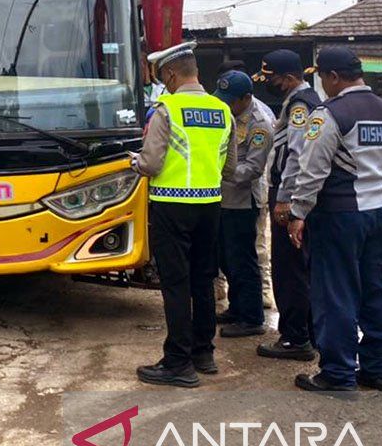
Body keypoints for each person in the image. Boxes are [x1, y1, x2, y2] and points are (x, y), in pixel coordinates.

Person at [287, 47, 382, 392]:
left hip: (340, 215)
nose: (322, 84)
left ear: (333, 77)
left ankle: (337, 373)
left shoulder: (330, 115)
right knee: (378, 290)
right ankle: (380, 370)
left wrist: (298, 212)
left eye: (322, 77)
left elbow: (312, 171)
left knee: (335, 292)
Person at [130, 41, 236, 387]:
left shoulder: (167, 110)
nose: (164, 84)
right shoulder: (223, 111)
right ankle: (203, 353)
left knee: (176, 285)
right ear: (197, 73)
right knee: (203, 280)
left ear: (172, 74)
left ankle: (177, 362)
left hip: (171, 206)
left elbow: (151, 163)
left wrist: (134, 161)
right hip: (210, 206)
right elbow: (231, 168)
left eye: (164, 77)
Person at [252, 49, 321, 362]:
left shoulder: (300, 105)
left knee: (289, 269)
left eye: (272, 79)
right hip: (298, 197)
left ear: (290, 78)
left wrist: (284, 200)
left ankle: (295, 338)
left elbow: (297, 156)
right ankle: (310, 332)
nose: (269, 84)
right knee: (302, 268)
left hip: (290, 196)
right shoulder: (304, 102)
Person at [213, 70, 273, 338]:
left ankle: (251, 318)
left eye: (230, 100)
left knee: (243, 260)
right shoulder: (231, 114)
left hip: (245, 200)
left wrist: (218, 173)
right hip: (226, 200)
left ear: (246, 97)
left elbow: (253, 168)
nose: (225, 105)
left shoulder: (259, 122)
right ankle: (237, 308)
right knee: (227, 257)